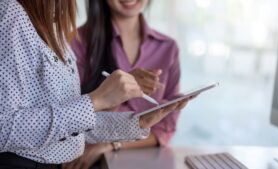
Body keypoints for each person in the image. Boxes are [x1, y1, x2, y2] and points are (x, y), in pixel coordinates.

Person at [0, 0, 188, 169]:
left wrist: (138, 122)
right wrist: (95, 101)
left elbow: (73, 121)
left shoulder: (53, 23)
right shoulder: (12, 12)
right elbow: (3, 127)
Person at [68, 0, 185, 168]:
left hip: (149, 162)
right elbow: (67, 118)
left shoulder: (168, 48)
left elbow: (165, 128)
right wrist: (116, 94)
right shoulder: (76, 43)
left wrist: (110, 145)